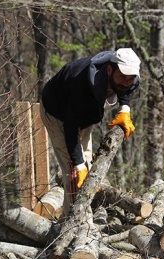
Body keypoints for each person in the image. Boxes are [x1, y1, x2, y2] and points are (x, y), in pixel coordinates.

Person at [40, 48, 141, 213]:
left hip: (83, 114)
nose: (126, 81)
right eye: (122, 77)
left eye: (131, 78)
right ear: (109, 70)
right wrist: (78, 165)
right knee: (74, 172)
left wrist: (125, 109)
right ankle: (73, 223)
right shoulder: (83, 84)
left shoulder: (130, 78)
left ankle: (83, 214)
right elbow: (70, 127)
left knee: (88, 167)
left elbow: (127, 88)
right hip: (57, 113)